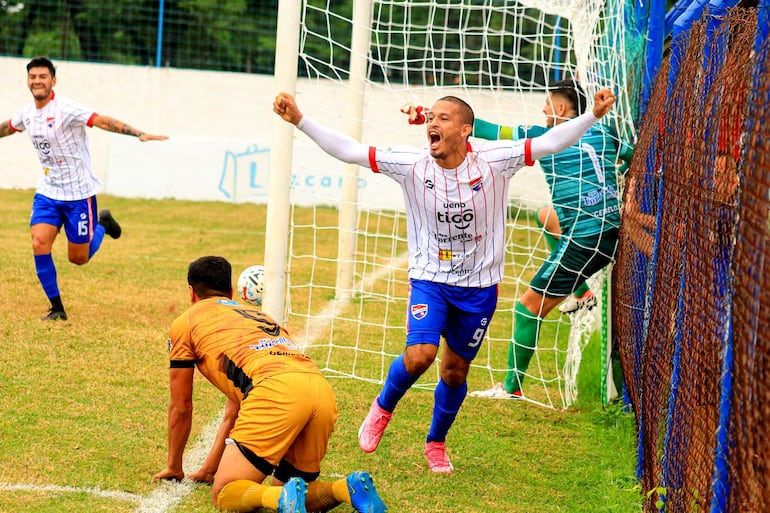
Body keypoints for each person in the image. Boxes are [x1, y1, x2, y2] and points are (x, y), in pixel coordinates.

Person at [273, 86, 617, 472]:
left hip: (479, 288)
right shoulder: (411, 164)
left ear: (466, 129)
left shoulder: (495, 160)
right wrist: (300, 120)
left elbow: (551, 141)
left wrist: (591, 116)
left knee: (455, 371)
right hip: (430, 279)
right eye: (431, 118)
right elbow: (350, 150)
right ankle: (383, 407)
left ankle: (436, 443)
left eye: (443, 118)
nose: (433, 124)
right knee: (421, 355)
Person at [153, 255, 387, 513]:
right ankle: (346, 488)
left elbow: (181, 405)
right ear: (231, 291)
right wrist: (209, 469)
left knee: (226, 495)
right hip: (318, 388)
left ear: (191, 292)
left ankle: (280, 498)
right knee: (290, 489)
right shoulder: (258, 315)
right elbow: (234, 411)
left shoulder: (185, 322)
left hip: (274, 392)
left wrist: (175, 466)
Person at [457, 79, 630, 399]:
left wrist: (447, 119)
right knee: (546, 216)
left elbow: (492, 131)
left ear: (563, 109)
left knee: (526, 308)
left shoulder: (545, 137)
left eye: (548, 104)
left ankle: (512, 389)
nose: (543, 109)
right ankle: (582, 296)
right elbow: (631, 157)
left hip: (585, 240)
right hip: (611, 228)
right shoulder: (606, 133)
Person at [0, 56, 168, 321]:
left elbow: (101, 120)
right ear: (28, 81)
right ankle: (57, 308)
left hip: (79, 195)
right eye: (33, 77)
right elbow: (8, 127)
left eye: (43, 76)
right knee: (39, 243)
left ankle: (103, 224)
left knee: (78, 258)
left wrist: (137, 133)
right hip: (48, 193)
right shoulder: (27, 114)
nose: (37, 81)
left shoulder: (66, 108)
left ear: (53, 81)